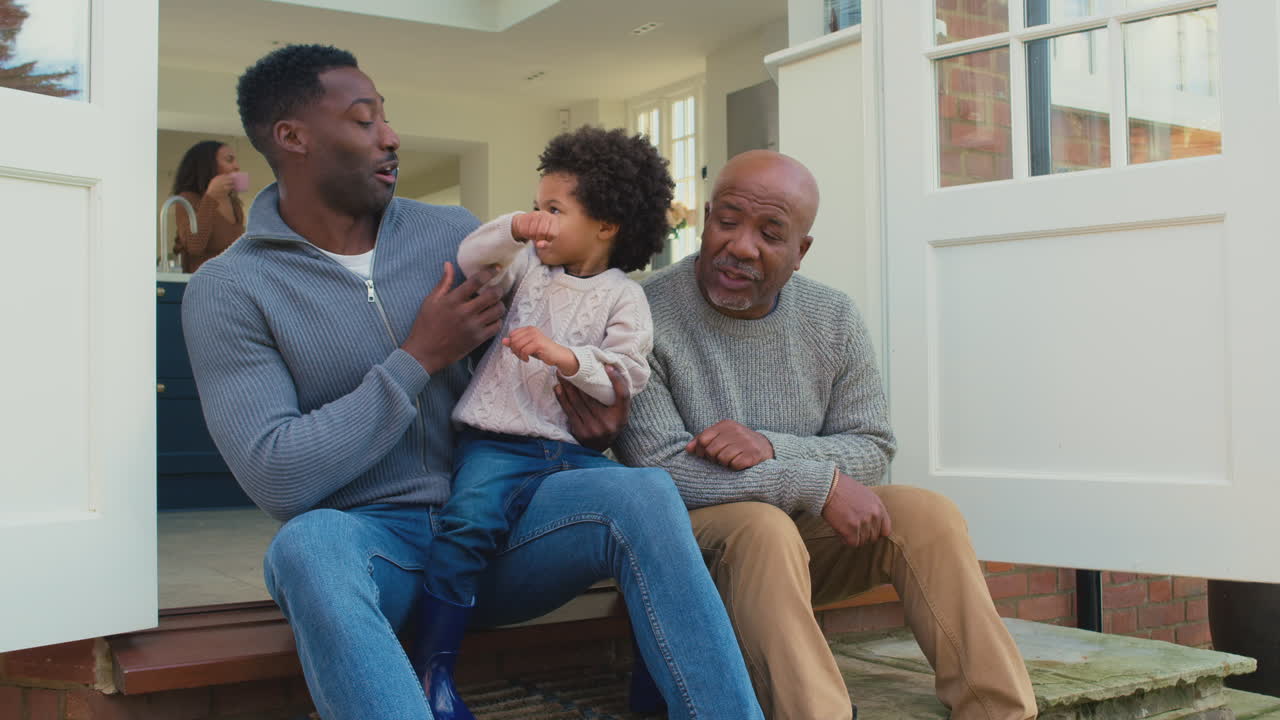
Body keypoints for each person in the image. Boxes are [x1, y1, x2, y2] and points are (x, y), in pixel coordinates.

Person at [181, 44, 762, 720]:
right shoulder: (230, 288)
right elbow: (277, 474)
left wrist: (595, 421)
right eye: (365, 121)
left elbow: (544, 367)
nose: (391, 136)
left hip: (503, 528)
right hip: (378, 545)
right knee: (305, 548)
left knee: (642, 494)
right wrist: (417, 358)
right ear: (293, 138)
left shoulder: (451, 236)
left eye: (386, 117)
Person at [614, 150, 1038, 720]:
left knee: (925, 513)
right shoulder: (640, 312)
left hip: (801, 552)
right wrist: (816, 483)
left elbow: (872, 444)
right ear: (708, 217)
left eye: (770, 233)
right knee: (762, 527)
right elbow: (659, 466)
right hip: (690, 555)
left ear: (800, 252)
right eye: (728, 220)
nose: (741, 245)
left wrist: (773, 446)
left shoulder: (832, 317)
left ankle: (1000, 710)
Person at [415, 126, 672, 715]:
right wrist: (512, 227)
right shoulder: (528, 267)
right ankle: (433, 676)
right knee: (466, 525)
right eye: (537, 207)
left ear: (606, 226)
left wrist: (567, 357)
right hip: (497, 442)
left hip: (571, 453)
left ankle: (655, 686)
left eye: (554, 209)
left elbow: (626, 376)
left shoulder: (623, 297)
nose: (541, 220)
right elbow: (473, 260)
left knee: (644, 524)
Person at [170, 140, 245, 273]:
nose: (237, 167)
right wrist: (210, 197)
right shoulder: (186, 200)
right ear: (208, 165)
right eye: (229, 160)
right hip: (201, 283)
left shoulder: (234, 204)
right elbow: (195, 246)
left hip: (231, 282)